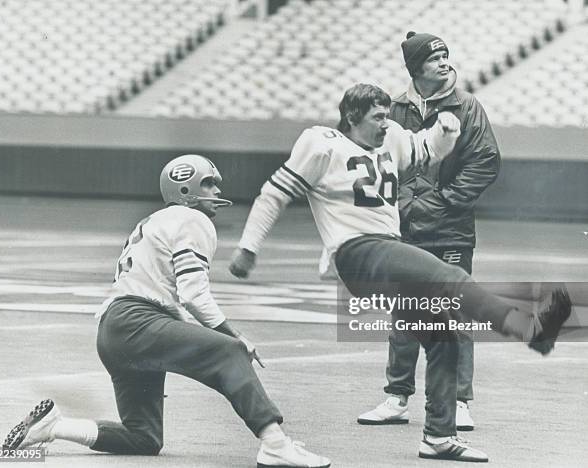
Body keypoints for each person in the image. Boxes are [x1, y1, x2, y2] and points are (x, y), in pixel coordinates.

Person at [229, 83, 571, 462]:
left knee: (445, 334)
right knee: (452, 280)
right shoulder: (321, 144)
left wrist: (447, 130)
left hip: (387, 252)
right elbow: (274, 194)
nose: (385, 123)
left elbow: (429, 149)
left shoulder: (391, 138)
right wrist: (247, 247)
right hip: (359, 252)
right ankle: (531, 330)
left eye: (386, 115)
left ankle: (438, 436)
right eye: (377, 117)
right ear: (352, 117)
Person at [1, 154, 331, 468]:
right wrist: (236, 336)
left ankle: (55, 427)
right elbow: (193, 294)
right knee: (230, 351)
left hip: (116, 329)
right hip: (137, 322)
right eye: (208, 184)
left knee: (143, 438)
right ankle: (275, 443)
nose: (217, 191)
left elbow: (169, 298)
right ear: (185, 191)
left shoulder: (157, 219)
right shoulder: (193, 219)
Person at [357, 31, 501, 432]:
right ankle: (397, 397)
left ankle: (458, 401)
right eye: (433, 57)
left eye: (444, 56)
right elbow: (376, 156)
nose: (443, 62)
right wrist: (399, 203)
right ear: (415, 67)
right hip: (403, 226)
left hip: (450, 229)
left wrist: (444, 199)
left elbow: (485, 162)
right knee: (404, 312)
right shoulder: (393, 108)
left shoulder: (467, 106)